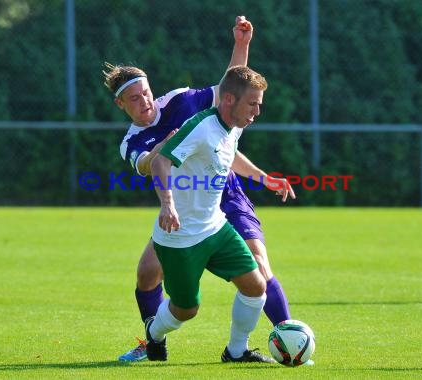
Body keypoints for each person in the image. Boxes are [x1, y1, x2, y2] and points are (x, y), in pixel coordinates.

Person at [103, 16, 295, 362]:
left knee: (257, 266)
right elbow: (149, 164)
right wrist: (167, 146)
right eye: (134, 99)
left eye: (145, 92)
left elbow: (230, 93)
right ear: (121, 105)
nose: (144, 101)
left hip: (224, 194)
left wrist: (242, 44)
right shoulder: (132, 141)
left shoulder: (180, 101)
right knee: (148, 274)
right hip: (183, 206)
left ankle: (288, 335)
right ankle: (153, 343)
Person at [148, 65, 272, 362]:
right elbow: (159, 163)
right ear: (229, 100)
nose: (257, 111)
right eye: (252, 104)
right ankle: (154, 332)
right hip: (180, 239)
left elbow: (229, 156)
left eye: (259, 104)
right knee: (186, 309)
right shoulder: (200, 127)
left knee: (256, 287)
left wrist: (264, 177)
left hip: (216, 229)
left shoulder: (234, 127)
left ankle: (236, 351)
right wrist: (168, 204)